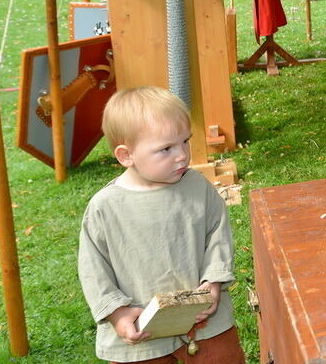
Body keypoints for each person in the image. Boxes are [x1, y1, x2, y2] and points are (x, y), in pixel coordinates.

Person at [78, 86, 244, 364]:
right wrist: (117, 313)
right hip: (140, 332)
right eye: (165, 148)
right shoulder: (104, 207)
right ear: (126, 155)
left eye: (185, 142)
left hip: (205, 323)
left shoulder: (197, 187)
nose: (181, 155)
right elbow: (93, 269)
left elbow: (218, 235)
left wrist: (213, 282)